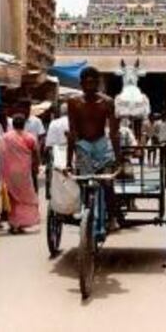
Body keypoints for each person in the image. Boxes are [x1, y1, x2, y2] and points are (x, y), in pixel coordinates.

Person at [67, 67, 121, 228]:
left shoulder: (107, 102)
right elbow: (72, 131)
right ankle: (82, 208)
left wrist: (118, 160)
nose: (90, 85)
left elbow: (114, 132)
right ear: (81, 84)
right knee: (83, 181)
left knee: (107, 182)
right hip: (83, 145)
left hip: (101, 144)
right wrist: (69, 160)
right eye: (86, 82)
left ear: (98, 83)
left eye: (93, 82)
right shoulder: (74, 102)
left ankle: (112, 216)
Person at [0, 115, 40, 233]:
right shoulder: (30, 138)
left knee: (13, 198)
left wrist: (0, 173)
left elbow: (0, 154)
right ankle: (21, 223)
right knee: (25, 198)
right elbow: (35, 154)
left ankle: (14, 223)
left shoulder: (6, 137)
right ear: (24, 124)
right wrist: (36, 167)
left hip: (9, 172)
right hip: (24, 173)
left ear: (13, 125)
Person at [20, 99, 46, 193]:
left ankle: (34, 198)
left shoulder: (36, 121)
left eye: (26, 107)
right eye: (22, 108)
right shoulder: (17, 121)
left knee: (33, 177)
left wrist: (39, 148)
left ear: (29, 108)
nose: (24, 110)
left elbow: (42, 136)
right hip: (20, 155)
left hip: (33, 154)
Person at [45, 103, 69, 169]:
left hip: (57, 154)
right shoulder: (74, 123)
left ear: (60, 111)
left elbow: (49, 144)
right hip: (71, 154)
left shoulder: (54, 123)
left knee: (58, 176)